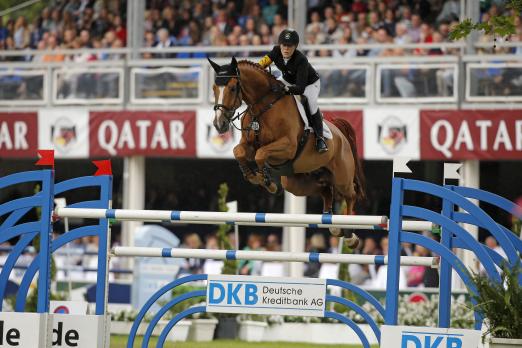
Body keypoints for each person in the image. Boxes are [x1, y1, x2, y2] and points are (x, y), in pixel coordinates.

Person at [257, 28, 328, 153]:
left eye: (290, 46)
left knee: (311, 105)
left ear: (295, 47)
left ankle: (320, 138)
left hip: (309, 84)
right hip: (287, 80)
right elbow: (260, 65)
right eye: (284, 45)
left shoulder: (301, 60)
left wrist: (284, 88)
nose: (286, 49)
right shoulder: (275, 51)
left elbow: (300, 88)